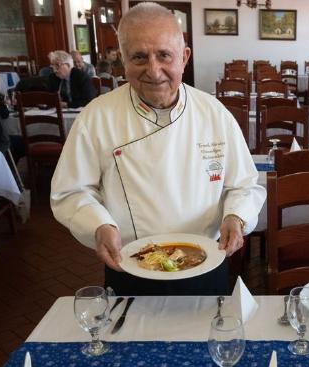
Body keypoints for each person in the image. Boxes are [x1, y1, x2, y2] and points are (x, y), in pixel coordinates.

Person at [50, 3, 265, 295]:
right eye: (139, 57)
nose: (154, 70)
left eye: (164, 55)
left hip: (206, 265)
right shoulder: (96, 117)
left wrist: (235, 216)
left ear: (184, 57)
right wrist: (98, 224)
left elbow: (245, 185)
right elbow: (71, 191)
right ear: (123, 61)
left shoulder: (214, 113)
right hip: (129, 266)